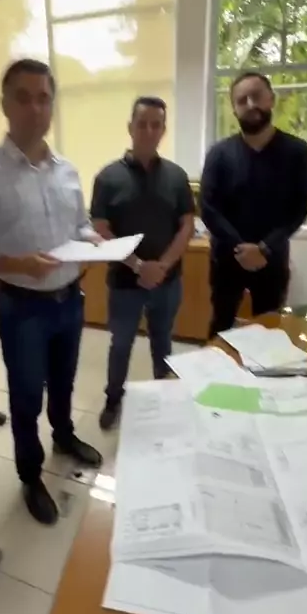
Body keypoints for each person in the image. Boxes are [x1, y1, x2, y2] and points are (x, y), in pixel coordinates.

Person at [0, 59, 103, 526]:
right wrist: (17, 263)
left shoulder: (67, 171)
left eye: (43, 98)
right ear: (5, 104)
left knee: (64, 381)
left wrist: (95, 241)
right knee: (26, 395)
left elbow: (79, 223)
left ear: (52, 104)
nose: (35, 108)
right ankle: (30, 475)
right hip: (22, 307)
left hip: (69, 299)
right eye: (23, 97)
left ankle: (64, 435)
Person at [91, 96, 195, 430]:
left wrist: (161, 266)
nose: (149, 131)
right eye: (142, 124)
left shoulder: (176, 176)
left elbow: (187, 225)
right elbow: (100, 229)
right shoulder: (108, 178)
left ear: (163, 129)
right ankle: (113, 398)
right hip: (125, 283)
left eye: (156, 125)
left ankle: (163, 397)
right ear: (130, 127)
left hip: (168, 281)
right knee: (121, 344)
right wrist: (138, 266)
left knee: (162, 342)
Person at [201, 70, 307, 339]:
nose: (250, 104)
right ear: (234, 109)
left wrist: (263, 248)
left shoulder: (297, 152)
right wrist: (241, 248)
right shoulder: (219, 154)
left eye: (256, 96)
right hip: (227, 259)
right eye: (242, 100)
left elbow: (298, 210)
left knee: (269, 330)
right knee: (220, 326)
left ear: (271, 99)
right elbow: (208, 207)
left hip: (271, 260)